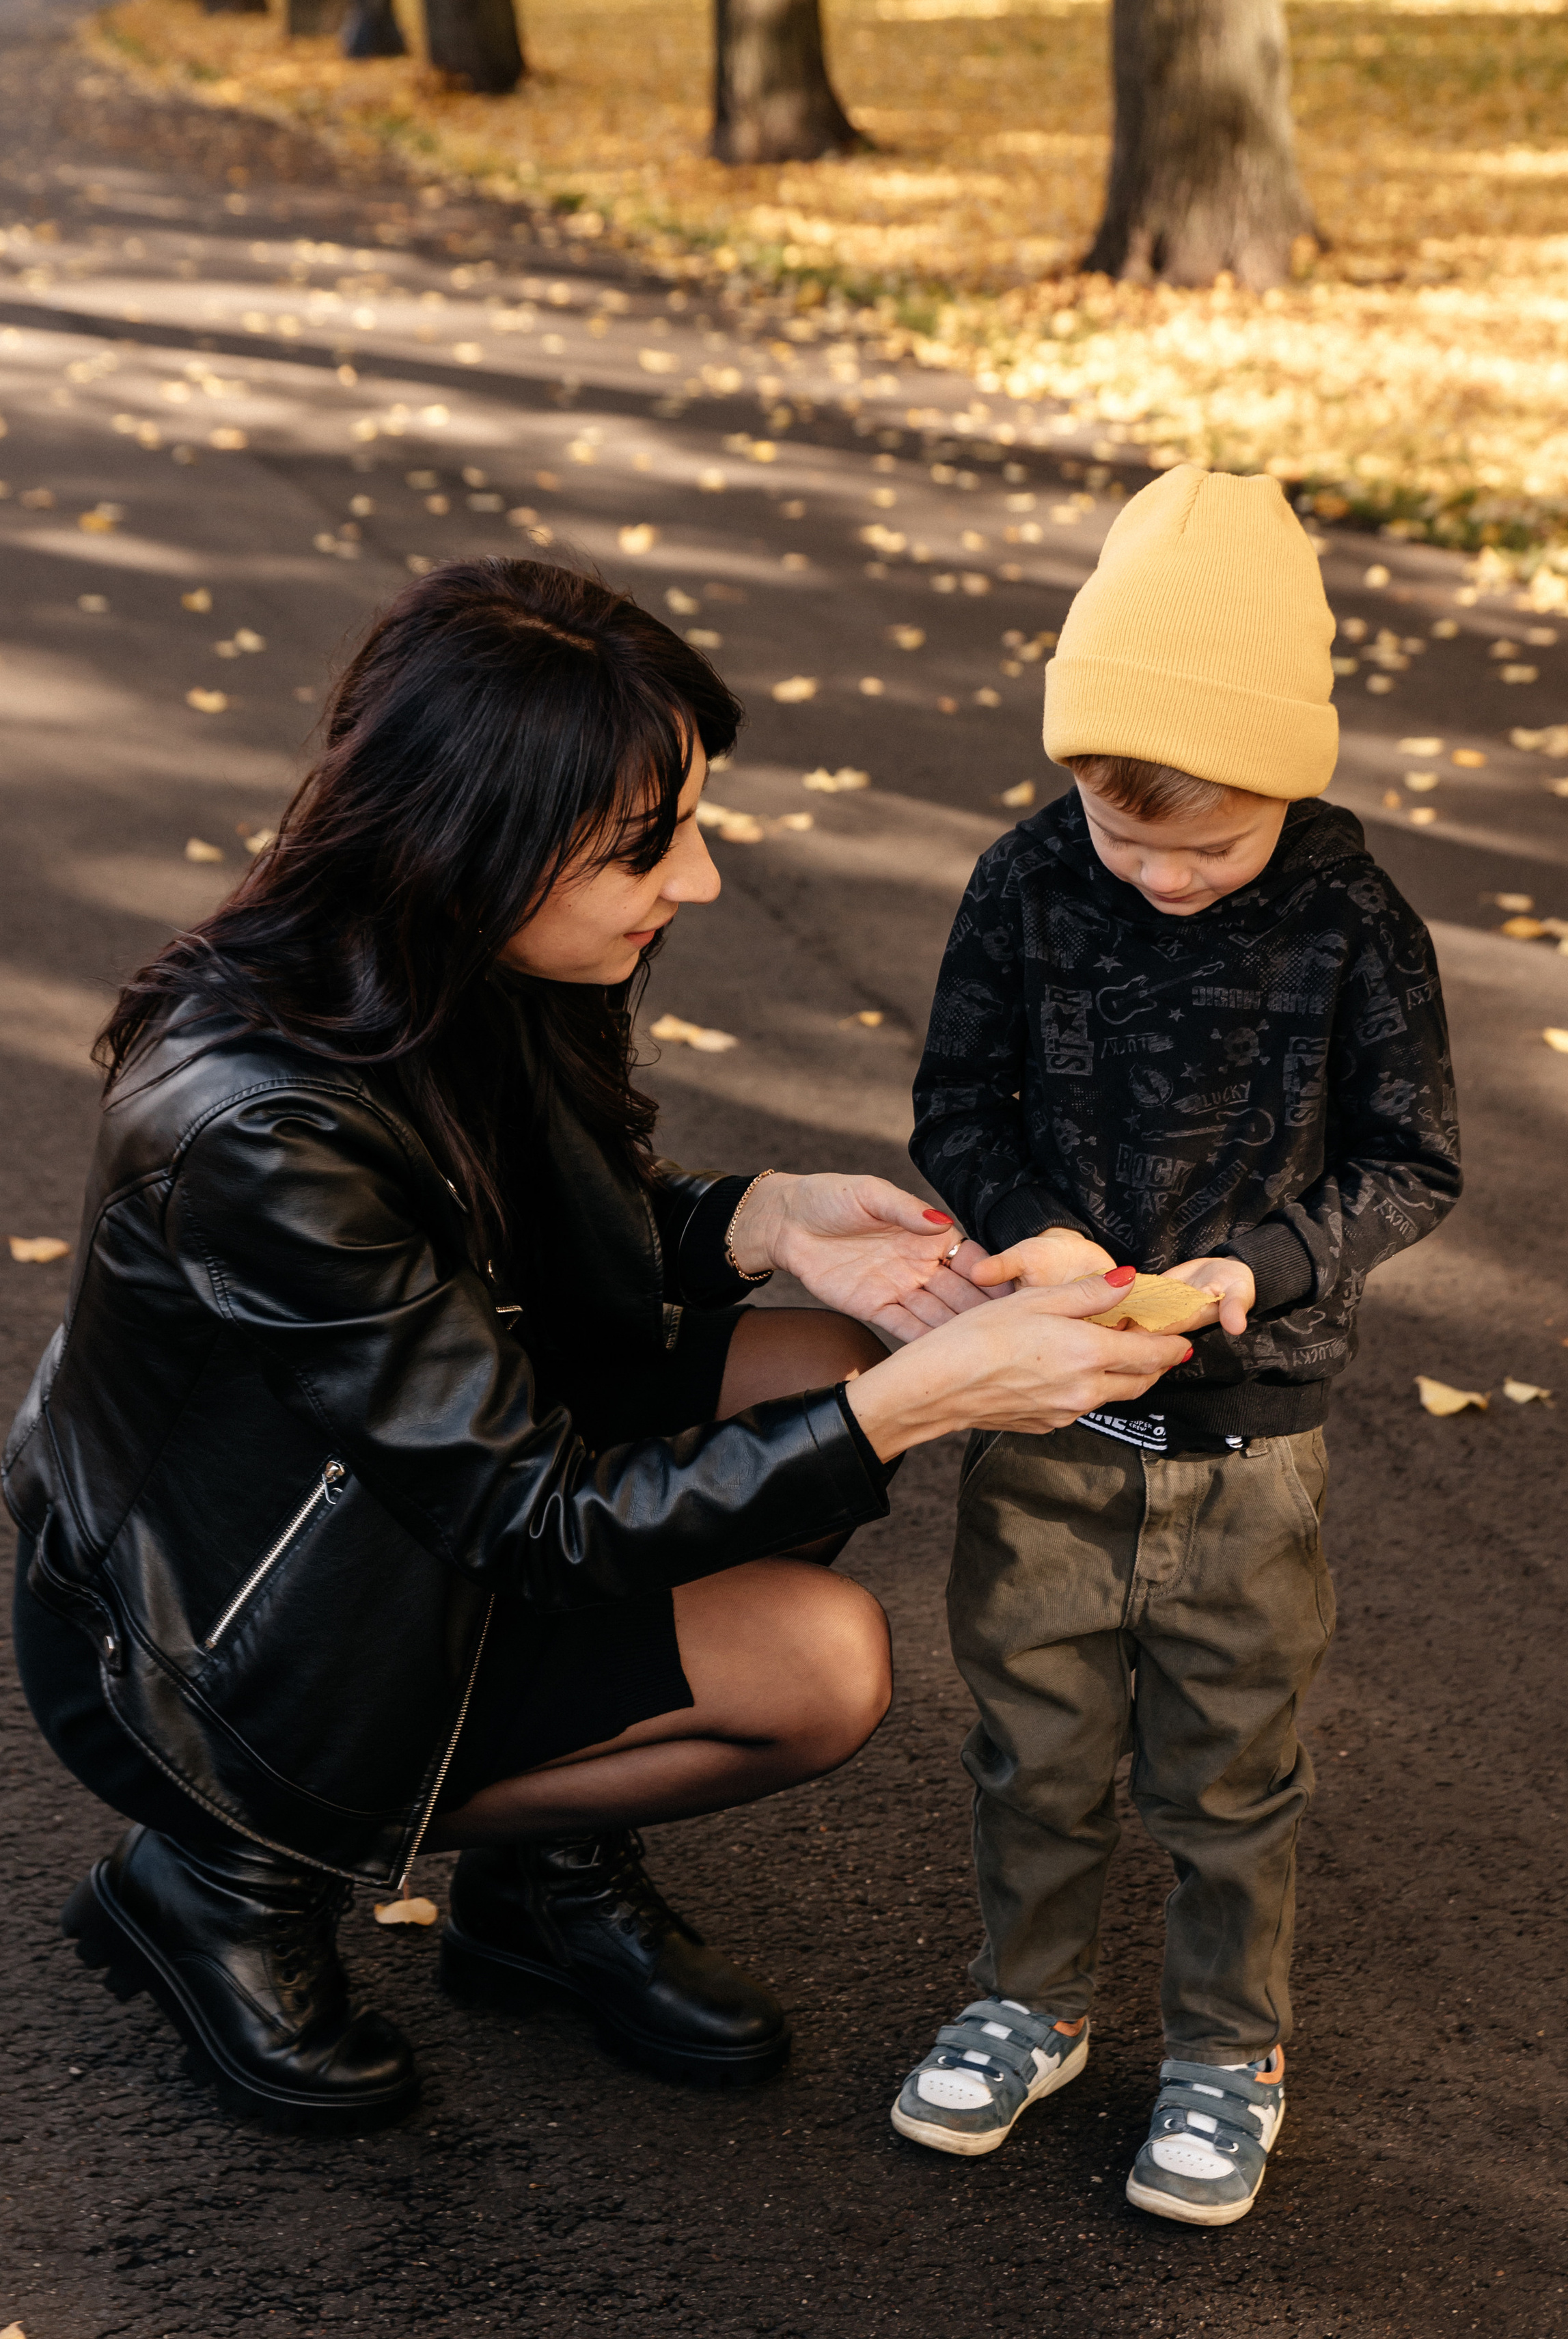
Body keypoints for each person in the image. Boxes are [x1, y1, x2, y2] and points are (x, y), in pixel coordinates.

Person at [4, 560, 1188, 2137]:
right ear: (475, 841)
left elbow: (496, 1245)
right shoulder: (259, 1123)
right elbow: (527, 1519)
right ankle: (224, 1877)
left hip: (388, 1514)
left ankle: (536, 1883)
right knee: (822, 1663)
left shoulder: (457, 960)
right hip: (205, 1641)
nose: (695, 883)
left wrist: (757, 1219)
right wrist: (921, 1403)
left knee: (821, 1347)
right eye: (648, 846)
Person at [898, 466, 1462, 2223]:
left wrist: (1261, 1271)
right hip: (1048, 1412)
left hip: (1247, 1443)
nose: (1151, 876)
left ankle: (1226, 2049)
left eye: (1202, 847)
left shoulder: (1352, 922)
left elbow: (1410, 1160)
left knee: (1226, 1767)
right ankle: (1029, 2000)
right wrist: (1020, 1229)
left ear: (1293, 786)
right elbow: (954, 1104)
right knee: (1036, 1739)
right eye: (1115, 834)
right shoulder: (1023, 881)